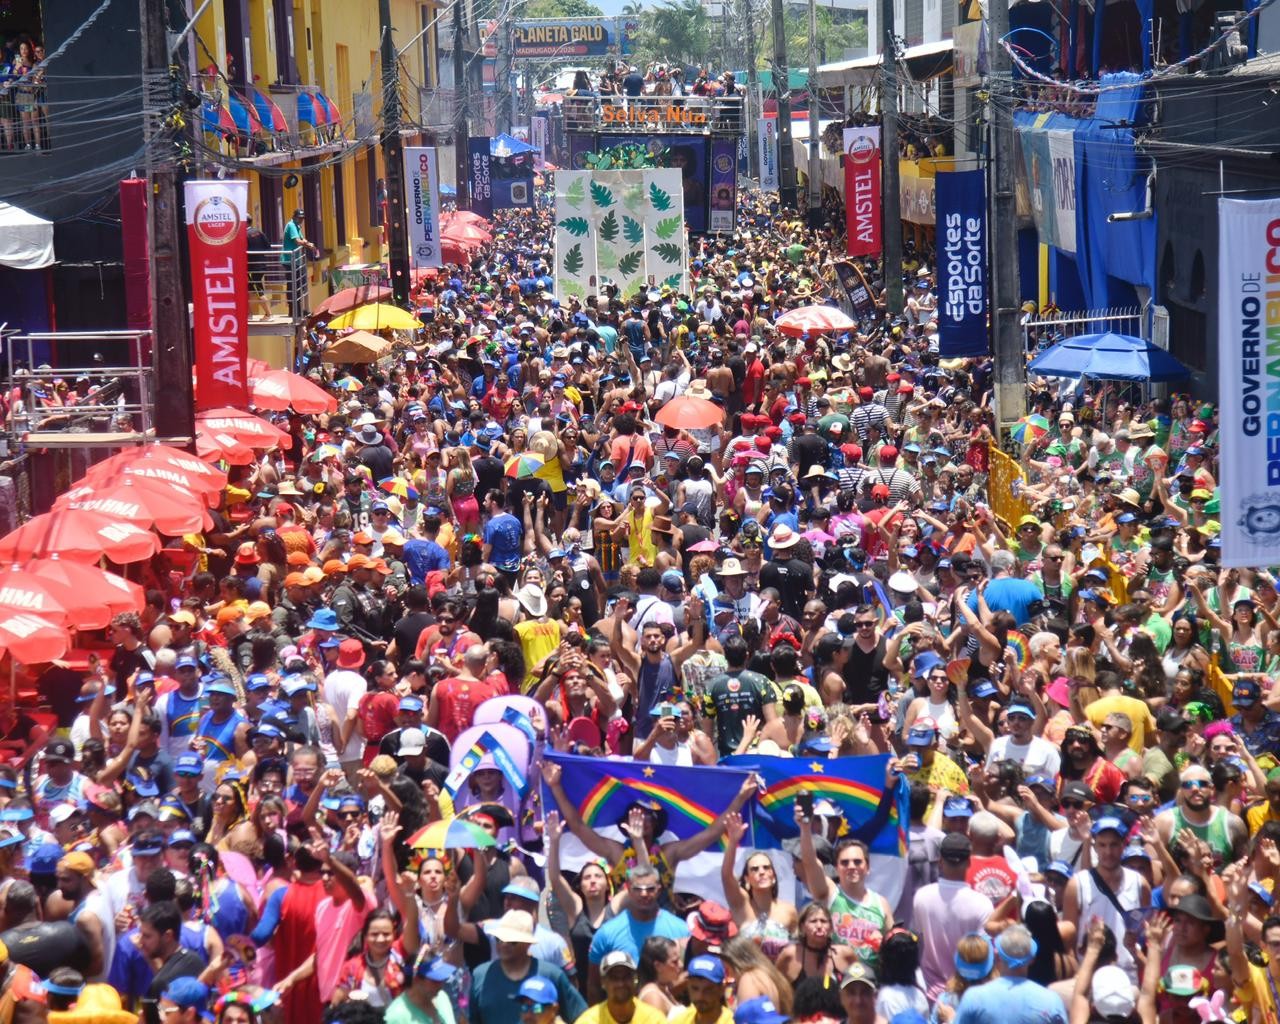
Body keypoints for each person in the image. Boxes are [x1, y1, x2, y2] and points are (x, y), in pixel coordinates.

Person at [951, 926, 1067, 1024]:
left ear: (997, 956)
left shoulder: (973, 997)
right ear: (1032, 959)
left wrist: (950, 1018)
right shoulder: (1051, 1000)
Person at [576, 950, 667, 1024]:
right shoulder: (588, 1021)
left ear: (635, 979)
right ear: (603, 982)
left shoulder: (653, 1019)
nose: (621, 983)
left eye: (626, 976)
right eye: (614, 978)